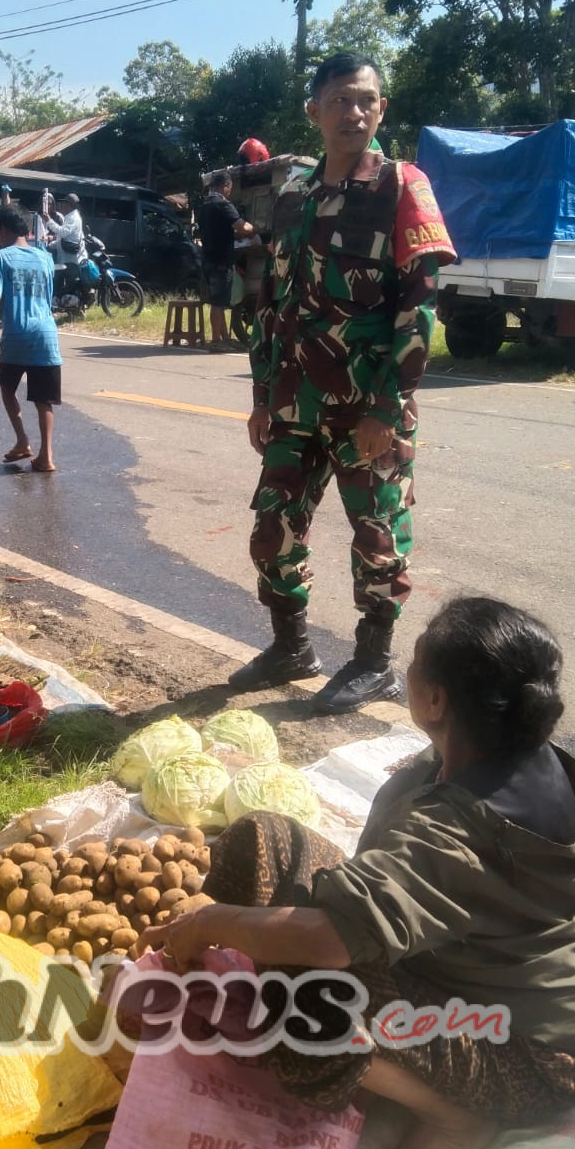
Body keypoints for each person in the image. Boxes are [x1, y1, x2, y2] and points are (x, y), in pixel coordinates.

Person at [143, 596, 575, 1149]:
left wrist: (214, 923)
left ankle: (452, 1118)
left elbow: (324, 942)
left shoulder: (458, 829)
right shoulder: (518, 753)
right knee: (263, 837)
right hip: (460, 968)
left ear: (435, 699)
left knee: (308, 1001)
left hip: (526, 1058)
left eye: (414, 661)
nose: (406, 671)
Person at [231, 52, 457, 715]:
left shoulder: (403, 186)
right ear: (315, 112)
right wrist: (262, 395)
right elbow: (272, 304)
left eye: (366, 100)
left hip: (367, 408)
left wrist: (389, 406)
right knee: (271, 527)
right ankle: (289, 646)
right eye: (339, 101)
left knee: (377, 537)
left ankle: (373, 662)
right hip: (295, 404)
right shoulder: (293, 196)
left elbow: (421, 305)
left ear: (381, 108)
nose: (354, 112)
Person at [0, 204, 62, 473]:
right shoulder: (45, 258)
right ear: (27, 230)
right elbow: (48, 297)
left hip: (17, 334)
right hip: (46, 334)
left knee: (8, 389)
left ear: (3, 230)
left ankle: (22, 440)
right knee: (44, 399)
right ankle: (46, 457)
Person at [199, 171, 254, 352]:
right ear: (225, 186)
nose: (230, 191)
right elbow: (242, 227)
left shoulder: (205, 206)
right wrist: (253, 228)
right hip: (221, 260)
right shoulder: (223, 204)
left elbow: (216, 230)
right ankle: (216, 341)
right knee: (218, 302)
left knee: (219, 301)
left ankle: (224, 339)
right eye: (230, 188)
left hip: (207, 258)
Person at [49, 192, 88, 268]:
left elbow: (63, 233)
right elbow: (63, 238)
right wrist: (50, 245)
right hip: (66, 260)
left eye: (63, 203)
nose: (61, 205)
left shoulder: (73, 218)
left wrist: (48, 220)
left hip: (70, 262)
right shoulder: (70, 217)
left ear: (69, 205)